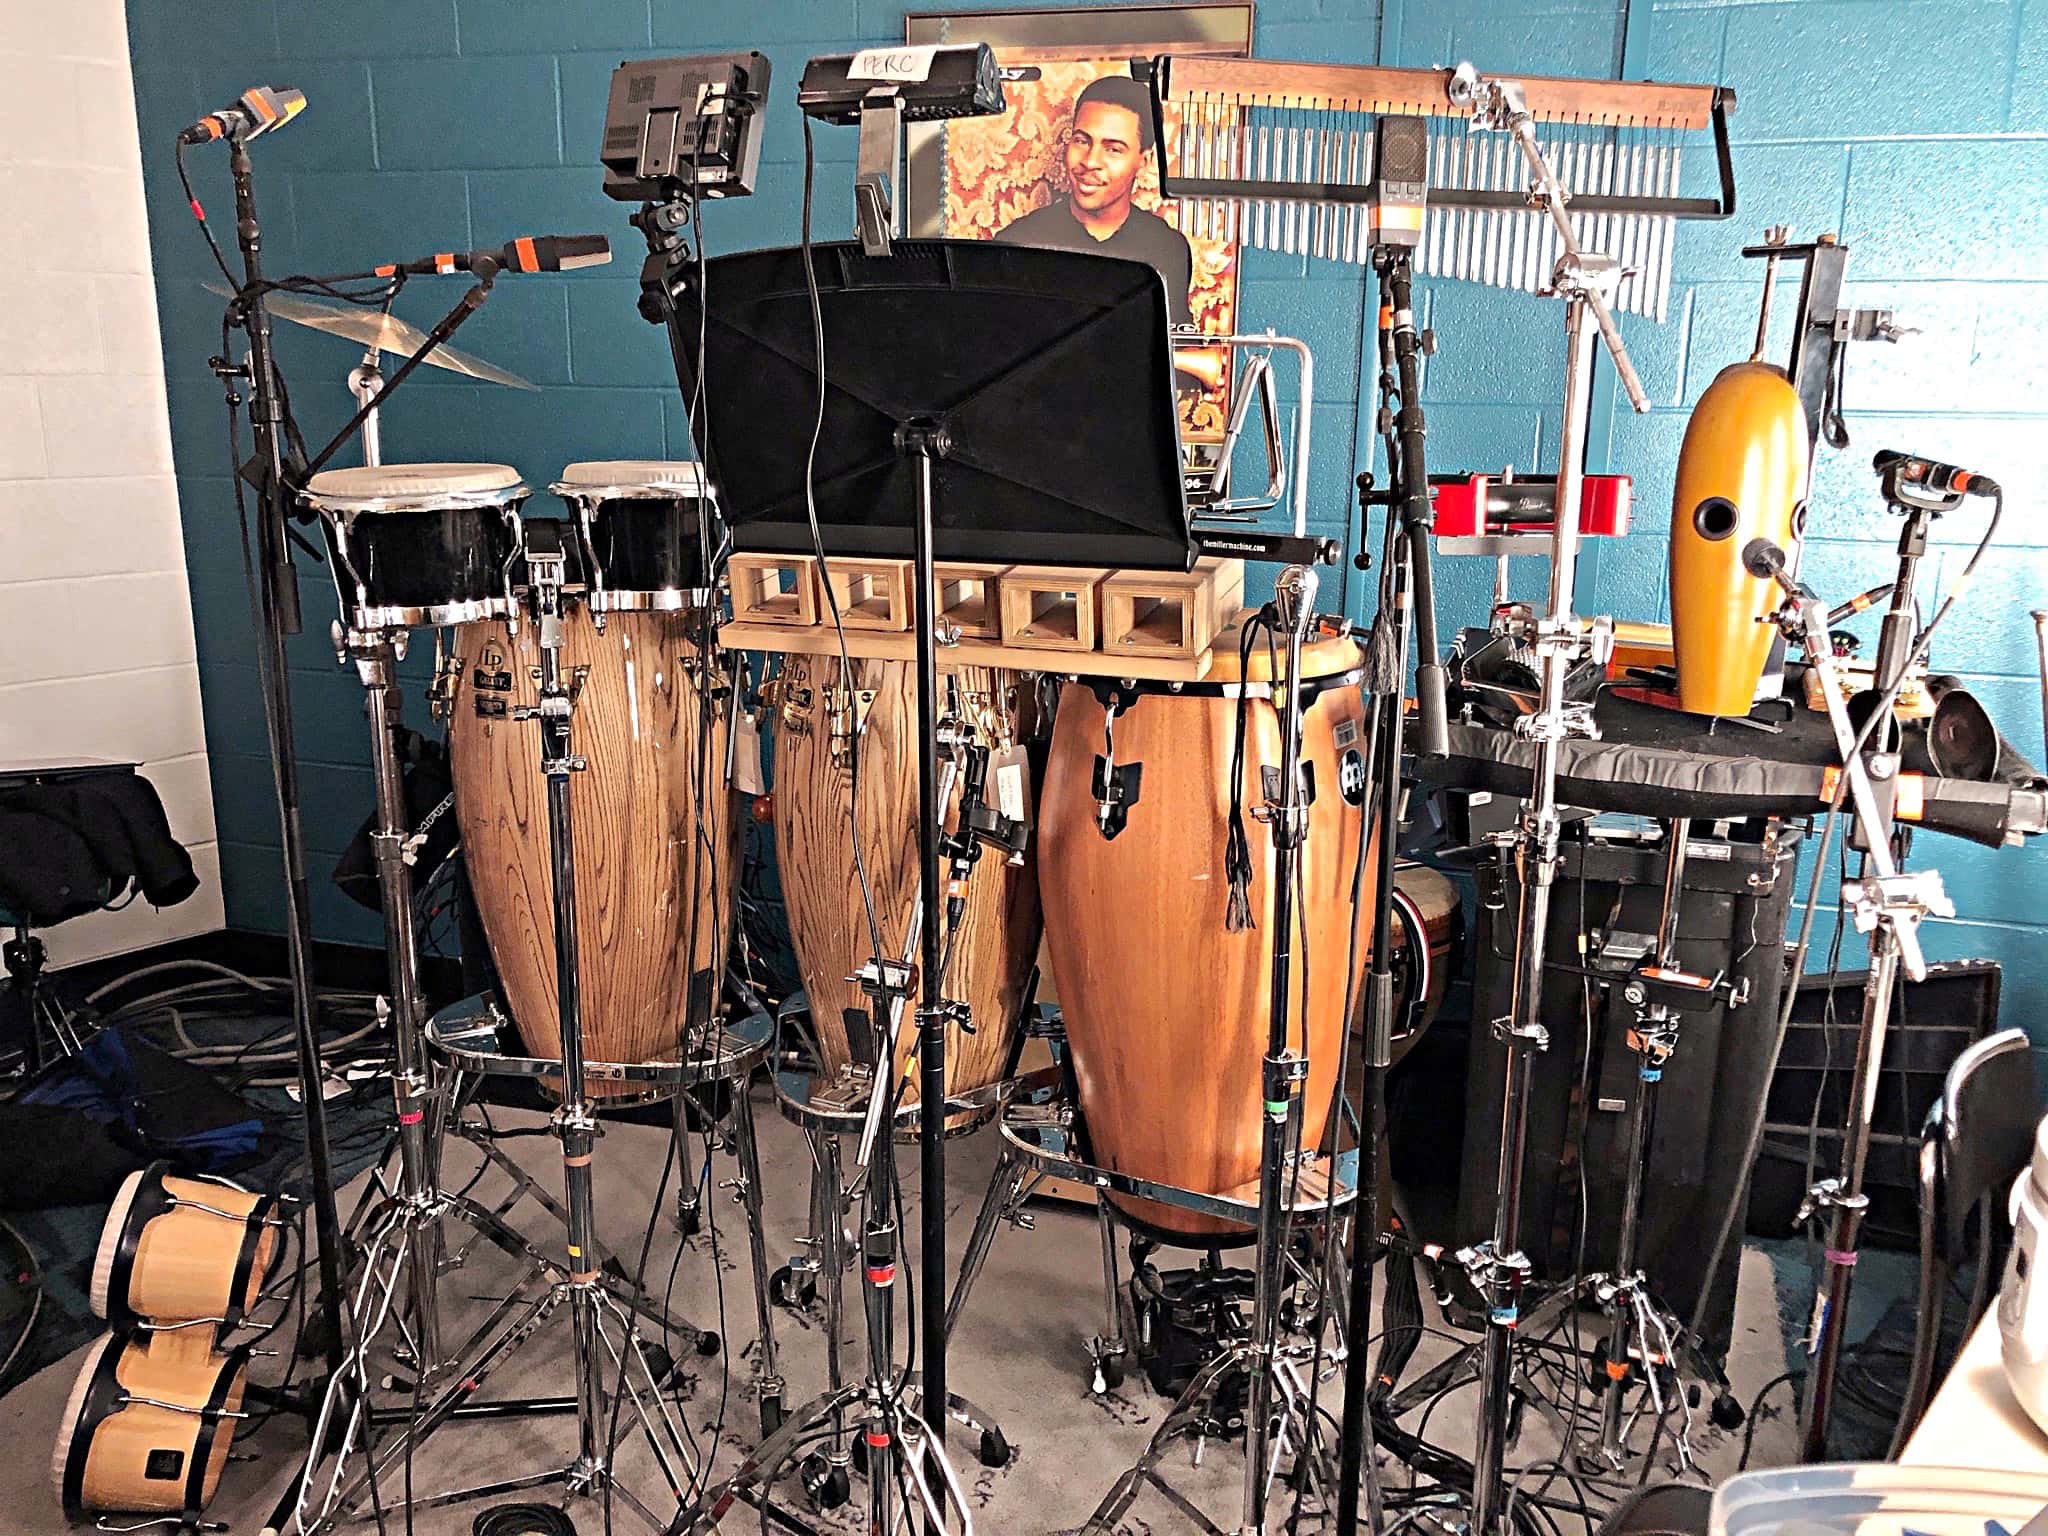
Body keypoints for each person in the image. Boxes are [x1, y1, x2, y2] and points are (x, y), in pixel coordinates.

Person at [995, 73, 1194, 326]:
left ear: (1143, 160)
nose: (1090, 162)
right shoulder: (1015, 243)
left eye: (1113, 149)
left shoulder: (1168, 248)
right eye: (1081, 141)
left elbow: (1175, 352)